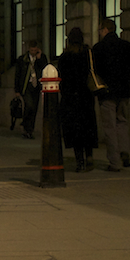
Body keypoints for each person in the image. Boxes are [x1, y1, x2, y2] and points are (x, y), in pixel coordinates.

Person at [92, 18, 130, 172]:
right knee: (122, 122)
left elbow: (95, 71)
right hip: (124, 91)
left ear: (105, 30)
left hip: (107, 92)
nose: (99, 33)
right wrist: (126, 79)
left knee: (109, 127)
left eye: (100, 30)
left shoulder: (99, 48)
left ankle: (114, 162)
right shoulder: (127, 46)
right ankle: (125, 152)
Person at [57, 27, 98, 172]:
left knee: (75, 131)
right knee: (87, 127)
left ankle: (79, 160)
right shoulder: (88, 54)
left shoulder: (64, 57)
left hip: (70, 99)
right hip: (86, 97)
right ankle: (90, 157)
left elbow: (61, 80)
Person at [13, 40, 48, 139]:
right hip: (26, 86)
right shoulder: (22, 59)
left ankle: (29, 130)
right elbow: (18, 74)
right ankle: (25, 125)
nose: (33, 52)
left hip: (36, 86)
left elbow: (45, 69)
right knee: (29, 106)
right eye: (32, 50)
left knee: (34, 109)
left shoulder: (41, 58)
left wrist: (39, 59)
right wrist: (17, 90)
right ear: (29, 49)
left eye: (35, 50)